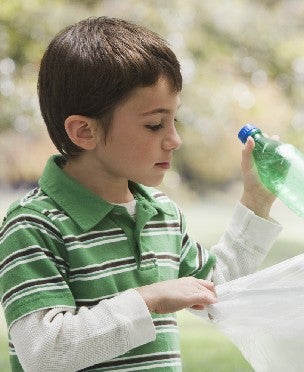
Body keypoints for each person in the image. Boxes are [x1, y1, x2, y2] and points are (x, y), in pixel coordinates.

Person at [0, 17, 283, 371]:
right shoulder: (33, 227)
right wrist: (147, 300)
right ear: (84, 132)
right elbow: (44, 353)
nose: (174, 140)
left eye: (173, 120)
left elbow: (213, 291)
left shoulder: (161, 214)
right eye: (154, 125)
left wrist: (256, 201)